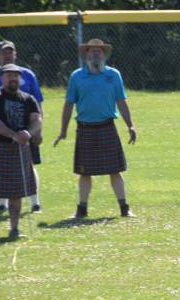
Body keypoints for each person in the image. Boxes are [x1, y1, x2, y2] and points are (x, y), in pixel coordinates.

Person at [54, 38, 137, 219]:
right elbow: (68, 104)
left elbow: (121, 102)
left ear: (104, 54)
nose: (95, 54)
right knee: (85, 172)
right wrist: (63, 130)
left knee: (115, 170)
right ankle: (81, 210)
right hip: (85, 129)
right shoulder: (77, 76)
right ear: (86, 54)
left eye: (99, 51)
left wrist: (130, 125)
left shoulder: (114, 75)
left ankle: (124, 208)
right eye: (92, 51)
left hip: (107, 127)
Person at [0, 64, 41, 239]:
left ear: (20, 79)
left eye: (15, 75)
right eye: (8, 75)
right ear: (2, 78)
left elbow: (37, 120)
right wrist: (14, 135)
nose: (12, 78)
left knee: (16, 193)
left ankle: (14, 229)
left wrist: (29, 133)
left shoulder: (28, 99)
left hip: (18, 150)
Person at [0, 40, 45, 213]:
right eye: (4, 52)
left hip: (26, 131)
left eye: (11, 51)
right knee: (2, 168)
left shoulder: (27, 74)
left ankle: (35, 202)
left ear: (15, 54)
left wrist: (38, 131)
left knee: (29, 164)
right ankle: (2, 203)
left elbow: (38, 104)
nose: (8, 55)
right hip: (1, 132)